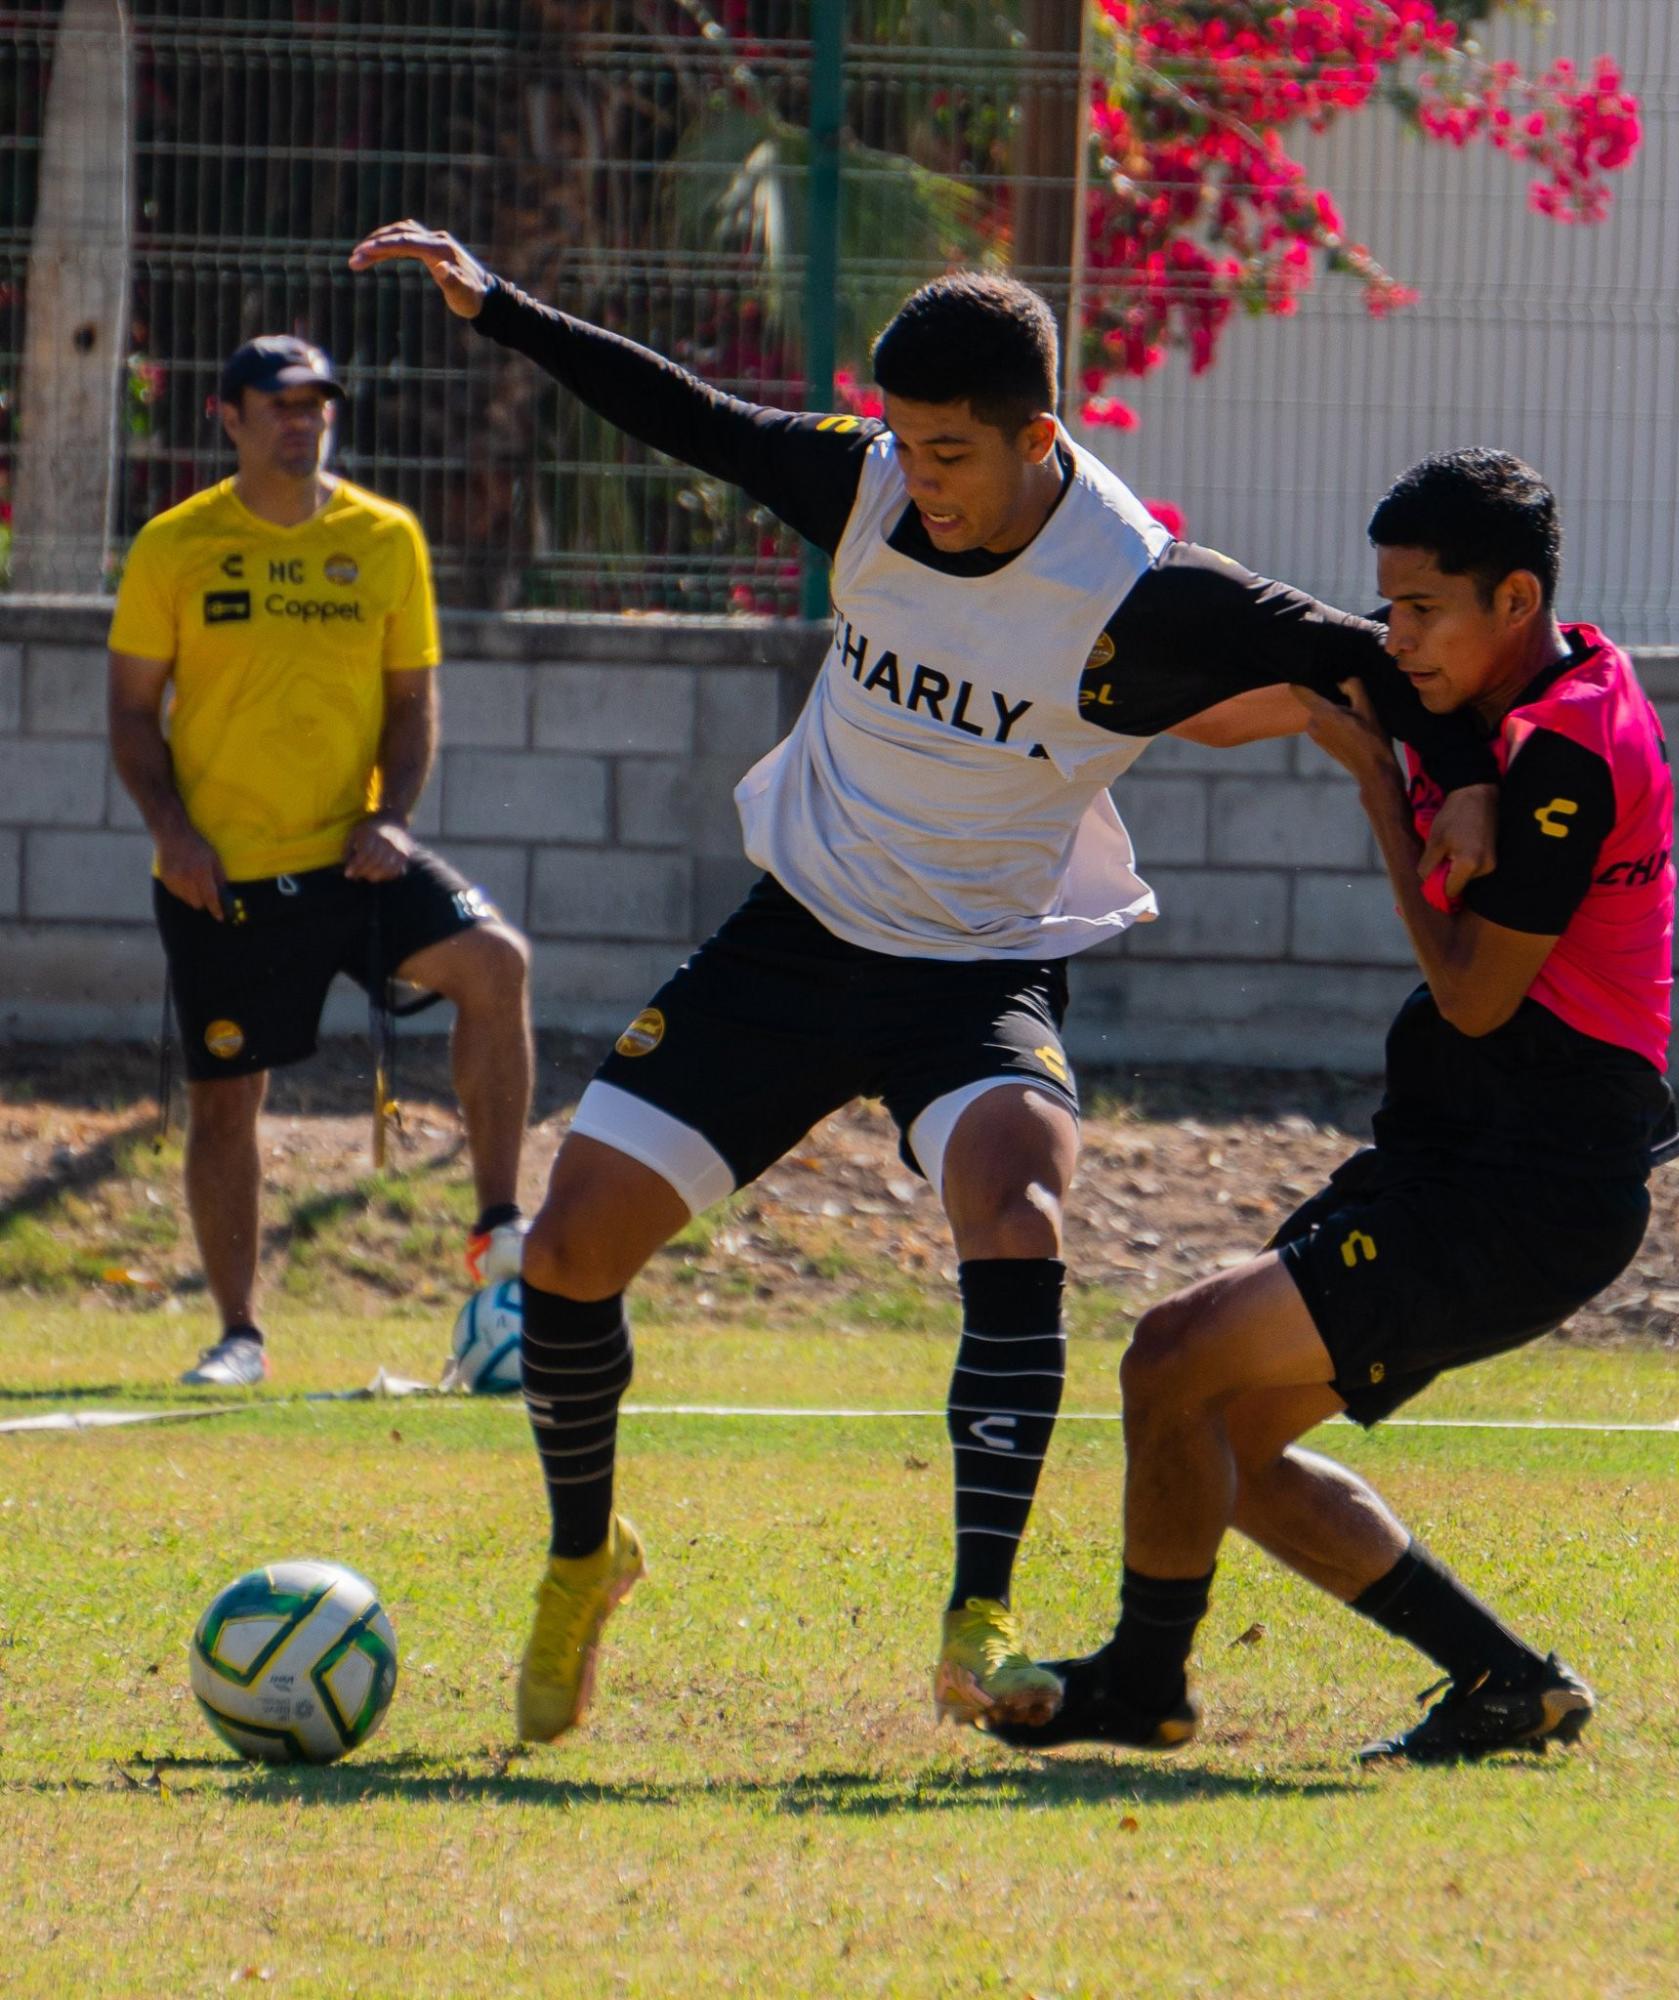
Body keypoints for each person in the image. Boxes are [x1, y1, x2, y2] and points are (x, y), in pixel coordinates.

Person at [349, 220, 1502, 1747]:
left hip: (978, 968)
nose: (920, 480)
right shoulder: (868, 483)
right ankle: (584, 1557)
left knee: (1017, 1203)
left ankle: (981, 1611)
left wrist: (1490, 773)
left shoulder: (1140, 591)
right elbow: (687, 414)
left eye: (951, 451)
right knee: (563, 1259)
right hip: (798, 941)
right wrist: (498, 308)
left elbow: (1378, 659)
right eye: (904, 441)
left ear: (1041, 437)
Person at [988, 449, 1679, 1764]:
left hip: (1536, 1182)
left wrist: (1379, 784)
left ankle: (1145, 1681)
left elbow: (1477, 998)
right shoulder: (1489, 685)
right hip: (1454, 1147)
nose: (1393, 635)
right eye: (1388, 605)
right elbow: (1251, 697)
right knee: (1220, 1441)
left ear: (1515, 600)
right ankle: (1506, 1683)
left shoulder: (1573, 755)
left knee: (1170, 1358)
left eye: (1422, 610)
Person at [107, 335, 535, 1388]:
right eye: (282, 403)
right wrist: (173, 831)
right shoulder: (175, 544)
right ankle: (239, 1333)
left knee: (497, 961)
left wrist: (394, 816)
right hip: (223, 878)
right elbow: (129, 711)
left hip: (358, 862)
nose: (304, 420)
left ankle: (496, 1228)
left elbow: (410, 700)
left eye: (319, 403)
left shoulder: (384, 538)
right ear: (230, 418)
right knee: (224, 1104)